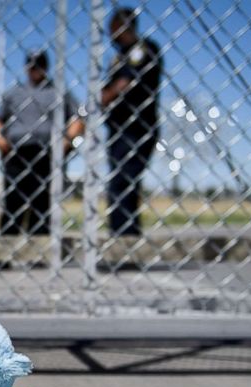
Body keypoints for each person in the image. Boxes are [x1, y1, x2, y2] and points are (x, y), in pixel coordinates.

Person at [0, 50, 84, 236]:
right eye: (32, 65)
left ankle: (39, 252)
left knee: (42, 202)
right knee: (13, 201)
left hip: (45, 152)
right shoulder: (15, 93)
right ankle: (5, 251)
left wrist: (66, 142)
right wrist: (0, 140)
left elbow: (77, 118)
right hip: (17, 152)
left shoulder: (57, 92)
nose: (35, 70)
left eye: (39, 65)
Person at [101, 7, 161, 236]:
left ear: (122, 28)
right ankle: (123, 235)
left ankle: (124, 238)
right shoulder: (120, 56)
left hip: (137, 128)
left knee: (122, 183)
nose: (111, 38)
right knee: (120, 182)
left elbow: (124, 83)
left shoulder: (142, 50)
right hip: (119, 128)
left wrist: (103, 98)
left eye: (113, 31)